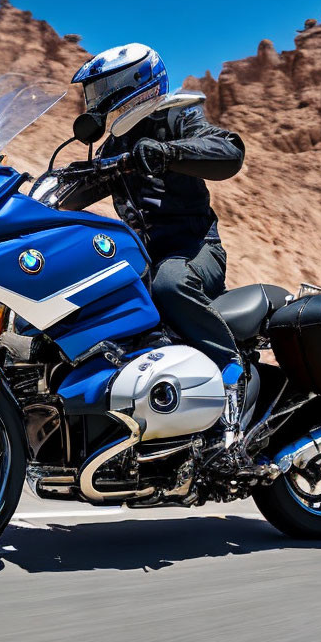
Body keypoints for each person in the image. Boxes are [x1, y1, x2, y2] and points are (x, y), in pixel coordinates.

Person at [68, 43, 246, 416]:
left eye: (107, 89)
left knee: (170, 284)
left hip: (195, 250)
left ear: (138, 82)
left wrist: (170, 153)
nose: (102, 101)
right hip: (144, 259)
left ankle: (231, 375)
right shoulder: (114, 146)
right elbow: (79, 192)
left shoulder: (178, 118)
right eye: (97, 92)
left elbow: (227, 150)